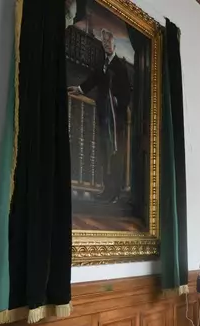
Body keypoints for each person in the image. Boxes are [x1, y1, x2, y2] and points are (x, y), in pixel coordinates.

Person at [68, 28, 131, 203]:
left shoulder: (120, 67)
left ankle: (115, 193)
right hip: (104, 117)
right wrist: (79, 89)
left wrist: (117, 102)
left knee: (115, 155)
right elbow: (94, 79)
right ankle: (106, 189)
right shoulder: (102, 63)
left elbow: (126, 93)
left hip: (116, 121)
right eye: (103, 43)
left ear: (114, 44)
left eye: (108, 42)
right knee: (104, 153)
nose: (106, 45)